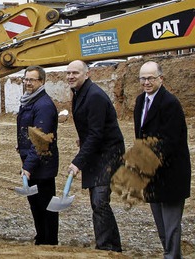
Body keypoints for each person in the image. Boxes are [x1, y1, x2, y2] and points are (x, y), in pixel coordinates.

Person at [134, 61, 190, 259]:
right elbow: (139, 136)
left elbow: (171, 141)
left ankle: (172, 256)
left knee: (171, 224)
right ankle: (170, 254)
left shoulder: (170, 103)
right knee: (160, 224)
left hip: (170, 173)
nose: (146, 82)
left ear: (161, 79)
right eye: (143, 78)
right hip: (151, 174)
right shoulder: (141, 101)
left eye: (151, 78)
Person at [66, 60, 123, 252]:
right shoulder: (79, 93)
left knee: (100, 200)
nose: (70, 77)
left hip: (108, 153)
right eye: (68, 73)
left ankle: (107, 247)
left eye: (75, 73)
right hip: (97, 151)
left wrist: (78, 162)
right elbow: (92, 130)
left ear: (87, 74)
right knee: (97, 201)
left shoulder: (94, 96)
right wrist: (83, 141)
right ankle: (111, 245)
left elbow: (97, 134)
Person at [16, 66, 59, 245]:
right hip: (34, 163)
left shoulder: (44, 105)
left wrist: (28, 166)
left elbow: (40, 141)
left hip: (43, 166)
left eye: (32, 80)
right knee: (35, 205)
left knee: (46, 205)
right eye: (26, 79)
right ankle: (41, 237)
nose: (27, 83)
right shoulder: (29, 102)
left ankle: (49, 241)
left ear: (41, 82)